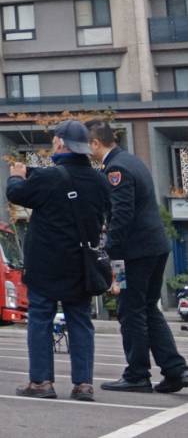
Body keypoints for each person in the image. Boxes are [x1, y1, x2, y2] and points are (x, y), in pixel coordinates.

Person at [7, 119, 109, 402]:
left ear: (61, 143)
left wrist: (16, 175)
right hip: (82, 264)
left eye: (54, 140)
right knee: (80, 321)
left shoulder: (49, 178)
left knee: (40, 319)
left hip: (47, 264)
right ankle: (83, 384)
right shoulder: (100, 180)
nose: (53, 144)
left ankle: (41, 381)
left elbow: (16, 194)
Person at [88, 122, 187, 394]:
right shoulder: (132, 160)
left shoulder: (116, 169)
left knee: (130, 311)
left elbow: (121, 215)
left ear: (96, 143)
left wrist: (109, 253)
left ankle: (137, 374)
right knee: (147, 308)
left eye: (89, 144)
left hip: (134, 253)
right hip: (153, 247)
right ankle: (175, 370)